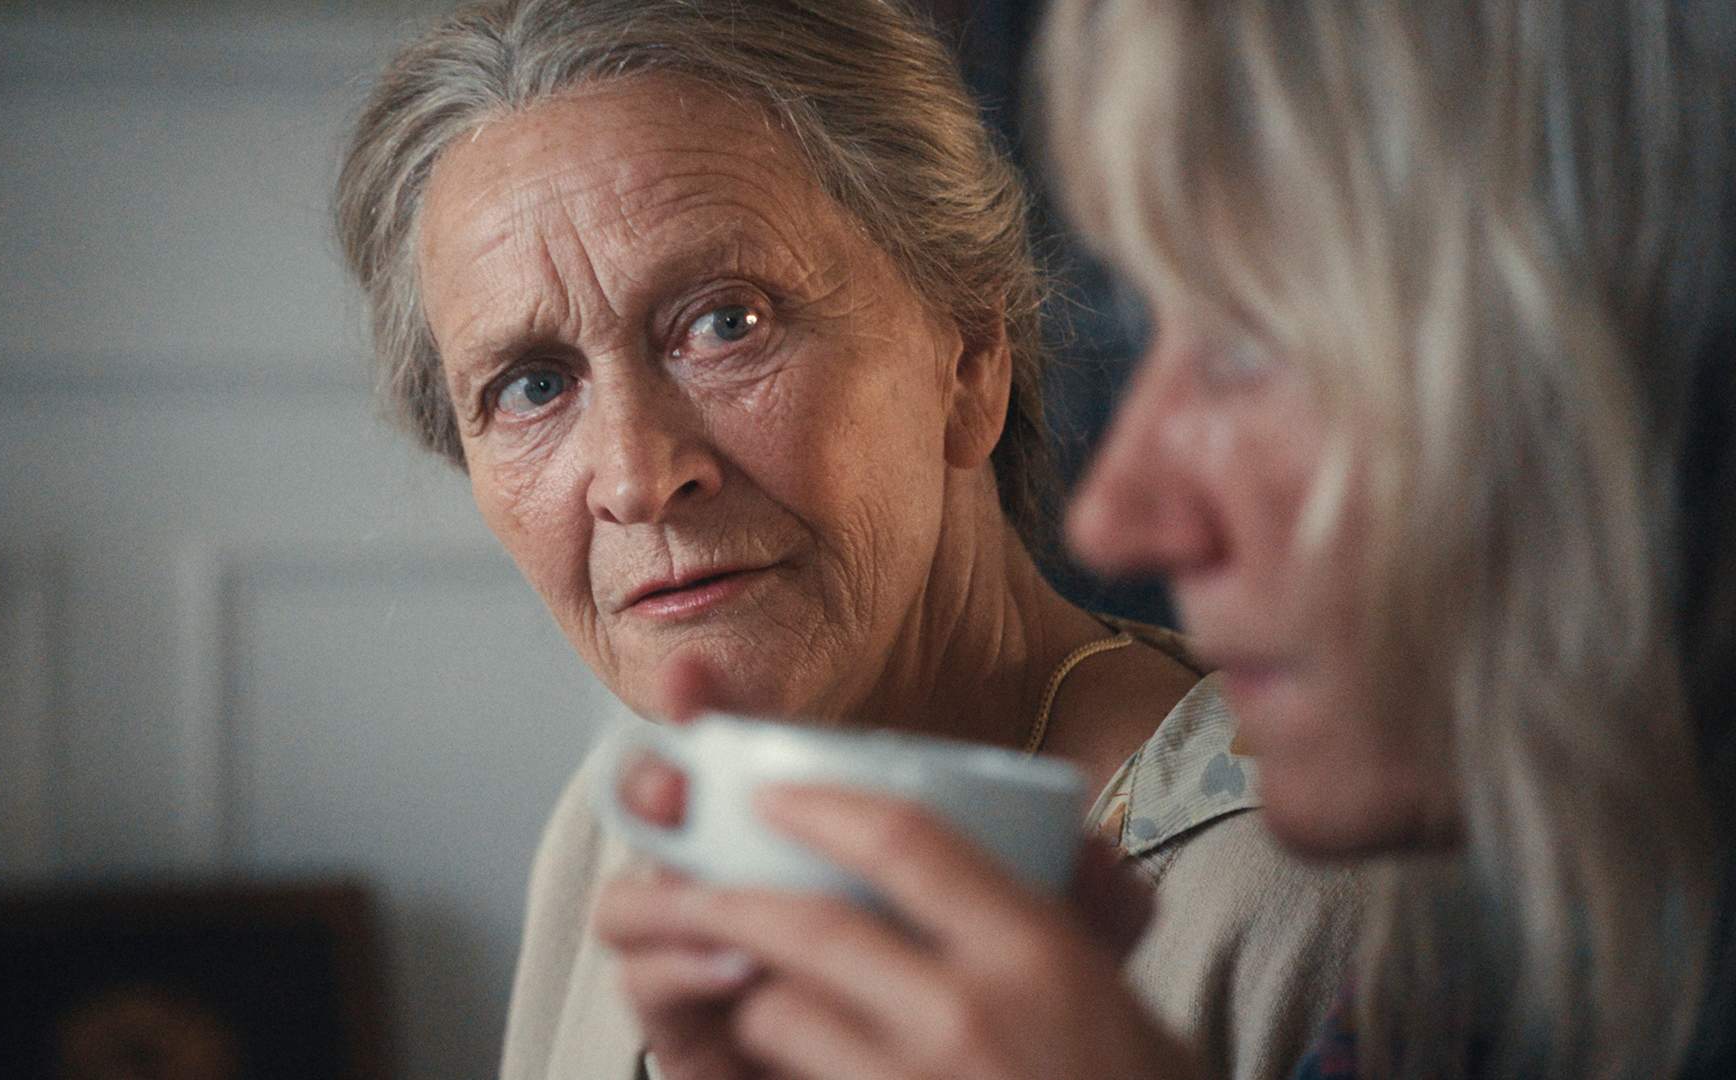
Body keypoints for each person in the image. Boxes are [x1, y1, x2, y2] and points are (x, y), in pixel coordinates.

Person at [593, 1, 1734, 1078]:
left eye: (1250, 341)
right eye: (531, 384)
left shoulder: (1326, 915)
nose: (1115, 519)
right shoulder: (1477, 976)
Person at [333, 2, 1363, 1078]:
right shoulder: (620, 836)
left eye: (727, 323)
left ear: (970, 360)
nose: (637, 478)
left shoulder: (1309, 900)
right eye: (532, 387)